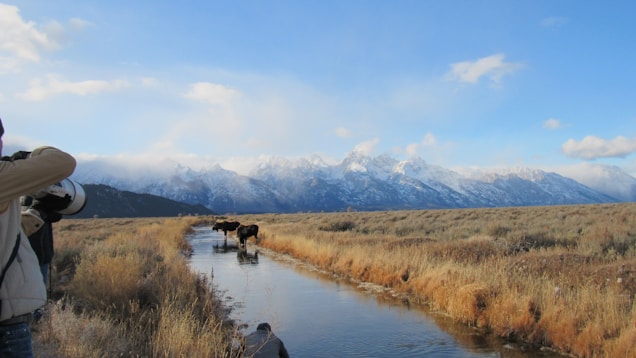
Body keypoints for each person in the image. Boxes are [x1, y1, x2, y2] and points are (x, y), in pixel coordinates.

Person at [0, 117, 77, 357]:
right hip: (5, 325)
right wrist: (33, 155)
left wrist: (37, 214)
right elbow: (63, 162)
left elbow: (7, 232)